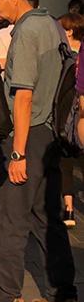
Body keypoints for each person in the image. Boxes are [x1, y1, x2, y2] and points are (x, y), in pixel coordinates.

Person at [0, 0, 78, 302]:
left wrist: (17, 152)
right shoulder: (52, 25)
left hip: (27, 133)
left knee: (8, 216)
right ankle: (63, 296)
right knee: (46, 217)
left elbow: (23, 97)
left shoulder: (24, 32)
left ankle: (4, 297)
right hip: (49, 135)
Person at [58, 13, 83, 228]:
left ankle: (68, 209)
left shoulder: (66, 55)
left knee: (66, 161)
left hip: (70, 112)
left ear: (70, 30)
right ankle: (68, 207)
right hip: (73, 113)